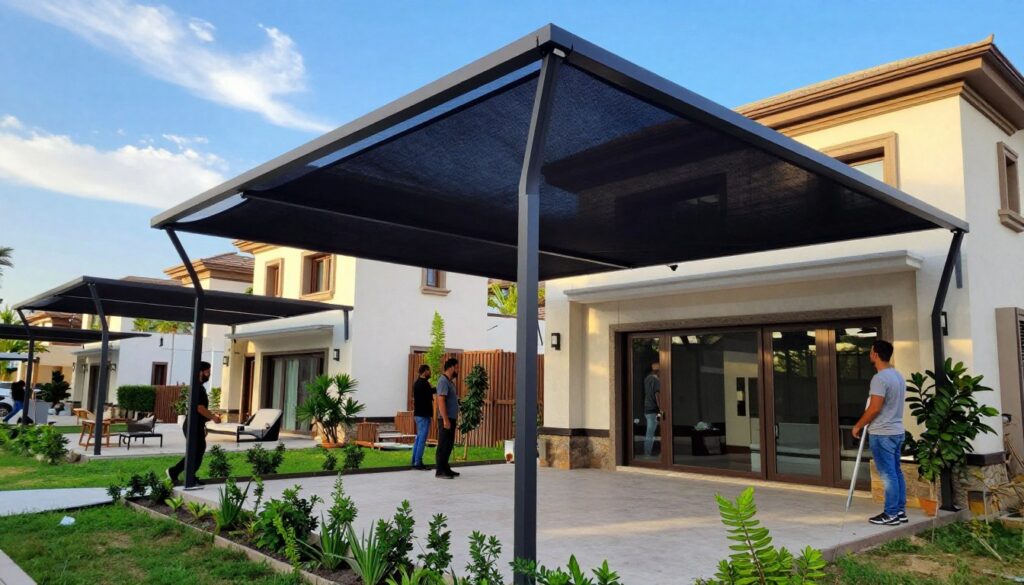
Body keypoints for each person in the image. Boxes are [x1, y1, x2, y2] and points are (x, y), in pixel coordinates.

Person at [853, 340, 908, 526]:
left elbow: (875, 408)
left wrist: (858, 425)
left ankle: (890, 513)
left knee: (888, 474)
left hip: (882, 433)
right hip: (897, 431)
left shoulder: (880, 378)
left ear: (875, 354)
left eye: (870, 352)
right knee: (896, 471)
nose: (870, 355)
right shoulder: (898, 376)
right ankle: (900, 511)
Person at [166, 361, 220, 485]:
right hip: (192, 425)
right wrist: (213, 417)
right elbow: (199, 408)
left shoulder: (198, 387)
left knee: (197, 450)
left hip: (195, 425)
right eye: (207, 372)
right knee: (196, 450)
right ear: (200, 372)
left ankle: (183, 474)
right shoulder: (197, 388)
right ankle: (179, 473)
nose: (209, 374)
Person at [435, 357, 460, 479]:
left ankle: (446, 468)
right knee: (444, 444)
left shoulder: (450, 382)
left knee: (449, 444)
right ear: (450, 368)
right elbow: (441, 400)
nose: (457, 370)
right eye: (456, 367)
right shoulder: (443, 381)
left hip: (451, 417)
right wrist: (445, 419)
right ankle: (440, 471)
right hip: (446, 419)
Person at [411, 364, 433, 471]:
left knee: (418, 438)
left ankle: (414, 461)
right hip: (423, 415)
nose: (430, 373)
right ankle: (418, 462)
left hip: (418, 414)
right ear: (425, 371)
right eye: (429, 371)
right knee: (422, 439)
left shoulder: (417, 383)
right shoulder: (424, 384)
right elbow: (429, 394)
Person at [643, 361, 661, 457]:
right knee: (651, 432)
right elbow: (657, 394)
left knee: (650, 431)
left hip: (647, 409)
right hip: (653, 409)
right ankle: (648, 452)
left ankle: (648, 451)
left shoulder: (647, 379)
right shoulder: (656, 381)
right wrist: (661, 408)